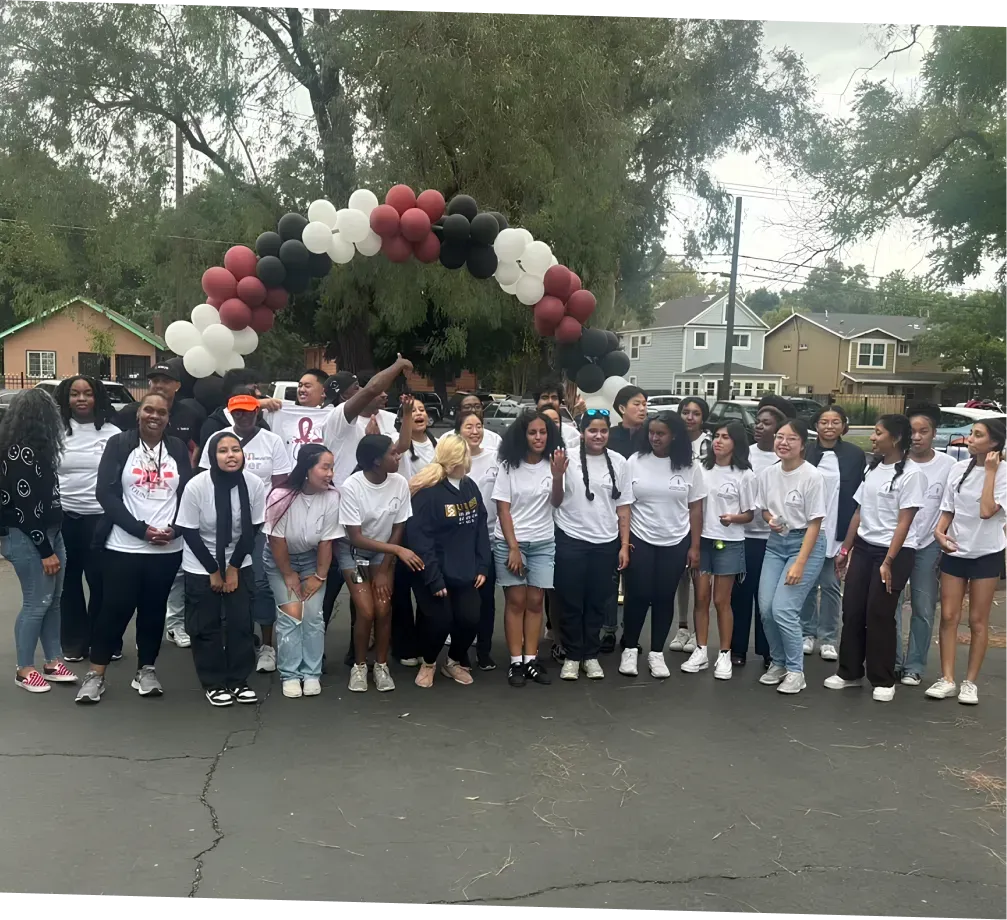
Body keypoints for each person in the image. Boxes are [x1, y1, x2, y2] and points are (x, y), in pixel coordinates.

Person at [76, 393, 192, 703]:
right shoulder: (119, 444)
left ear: (169, 418)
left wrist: (176, 529)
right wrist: (141, 530)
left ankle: (147, 670)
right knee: (114, 610)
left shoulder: (177, 448)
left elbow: (187, 493)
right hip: (124, 546)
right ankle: (96, 675)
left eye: (162, 412)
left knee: (153, 612)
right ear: (138, 413)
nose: (155, 416)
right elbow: (106, 494)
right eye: (149, 410)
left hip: (167, 548)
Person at [322, 355, 412, 664]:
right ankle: (310, 657)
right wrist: (399, 367)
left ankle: (360, 652)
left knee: (371, 602)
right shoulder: (339, 419)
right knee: (328, 590)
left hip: (374, 523)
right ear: (347, 395)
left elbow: (399, 448)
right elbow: (374, 387)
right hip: (338, 523)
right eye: (358, 388)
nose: (370, 391)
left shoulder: (383, 421)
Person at [829, 415, 923, 702]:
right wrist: (845, 550)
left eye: (878, 432)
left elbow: (904, 523)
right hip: (865, 548)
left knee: (879, 614)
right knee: (853, 609)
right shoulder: (873, 469)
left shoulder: (911, 474)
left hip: (894, 553)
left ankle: (883, 679)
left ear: (894, 438)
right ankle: (850, 672)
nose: (872, 437)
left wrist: (888, 561)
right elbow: (859, 512)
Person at [199, 390, 292, 674]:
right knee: (226, 580)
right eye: (237, 411)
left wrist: (270, 519)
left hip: (261, 525)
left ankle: (266, 645)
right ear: (230, 413)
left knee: (261, 584)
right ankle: (234, 638)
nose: (243, 416)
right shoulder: (219, 439)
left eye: (248, 411)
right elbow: (206, 479)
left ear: (257, 412)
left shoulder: (272, 440)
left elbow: (281, 484)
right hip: (224, 524)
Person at [176, 432, 266, 706]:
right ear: (212, 456)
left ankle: (239, 680)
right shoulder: (197, 485)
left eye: (235, 450)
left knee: (241, 622)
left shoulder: (253, 483)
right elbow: (189, 531)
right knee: (206, 626)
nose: (230, 455)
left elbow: (253, 529)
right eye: (223, 450)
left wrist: (234, 567)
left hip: (239, 560)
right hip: (202, 561)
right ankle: (214, 682)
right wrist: (214, 570)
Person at [926, 418, 1007, 705]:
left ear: (994, 443)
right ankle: (946, 678)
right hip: (956, 550)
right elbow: (948, 509)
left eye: (977, 435)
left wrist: (991, 472)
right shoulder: (959, 468)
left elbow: (987, 511)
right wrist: (939, 532)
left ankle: (969, 682)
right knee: (948, 616)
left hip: (986, 553)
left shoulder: (1004, 473)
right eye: (971, 434)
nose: (969, 439)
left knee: (977, 620)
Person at [0, 389, 76, 693]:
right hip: (29, 537)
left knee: (53, 601)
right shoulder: (18, 452)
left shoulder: (38, 449)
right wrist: (45, 550)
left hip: (51, 532)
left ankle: (52, 660)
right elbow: (24, 507)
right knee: (36, 602)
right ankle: (24, 668)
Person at [621, 411, 705, 679]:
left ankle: (656, 652)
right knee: (637, 594)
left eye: (661, 433)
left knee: (663, 597)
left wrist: (694, 546)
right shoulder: (634, 462)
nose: (655, 438)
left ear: (675, 436)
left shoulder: (690, 466)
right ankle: (630, 648)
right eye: (651, 432)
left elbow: (695, 509)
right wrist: (624, 542)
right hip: (640, 537)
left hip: (676, 540)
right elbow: (624, 505)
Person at [337, 434, 421, 692]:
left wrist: (386, 567)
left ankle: (381, 666)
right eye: (393, 454)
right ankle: (360, 666)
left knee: (384, 608)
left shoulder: (399, 483)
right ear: (375, 461)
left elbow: (399, 525)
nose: (399, 457)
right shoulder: (352, 487)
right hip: (354, 553)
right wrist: (396, 549)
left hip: (383, 555)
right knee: (366, 610)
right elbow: (356, 536)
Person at [552, 410, 632, 680]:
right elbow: (556, 499)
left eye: (603, 431)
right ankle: (573, 655)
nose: (598, 436)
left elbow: (623, 506)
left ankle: (591, 654)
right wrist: (556, 475)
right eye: (592, 431)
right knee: (571, 600)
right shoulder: (567, 458)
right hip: (571, 538)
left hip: (605, 541)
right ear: (582, 432)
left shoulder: (619, 462)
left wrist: (624, 544)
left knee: (598, 600)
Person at [407, 434, 491, 688]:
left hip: (466, 572)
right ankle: (429, 662)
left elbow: (480, 527)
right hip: (434, 574)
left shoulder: (469, 487)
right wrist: (434, 579)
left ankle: (453, 661)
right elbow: (421, 541)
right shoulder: (427, 494)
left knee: (470, 618)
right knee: (439, 621)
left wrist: (482, 565)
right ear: (458, 460)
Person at [263, 444, 341, 699]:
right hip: (280, 561)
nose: (330, 473)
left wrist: (319, 576)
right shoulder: (280, 496)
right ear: (307, 469)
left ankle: (311, 673)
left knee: (313, 615)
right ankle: (290, 674)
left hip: (312, 560)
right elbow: (276, 540)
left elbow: (327, 541)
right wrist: (288, 575)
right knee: (291, 613)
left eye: (331, 467)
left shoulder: (332, 497)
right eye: (324, 467)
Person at [493, 410, 565, 687]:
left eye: (543, 432)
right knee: (516, 602)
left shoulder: (554, 463)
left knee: (536, 602)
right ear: (522, 436)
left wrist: (558, 476)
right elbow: (503, 508)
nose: (538, 437)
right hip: (510, 542)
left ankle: (531, 659)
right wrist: (513, 547)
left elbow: (557, 502)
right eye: (533, 432)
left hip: (543, 542)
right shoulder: (509, 466)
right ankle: (515, 664)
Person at [756, 419, 827, 695]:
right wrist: (771, 519)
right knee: (766, 608)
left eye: (791, 439)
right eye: (780, 437)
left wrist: (800, 563)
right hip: (777, 543)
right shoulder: (768, 474)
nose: (783, 443)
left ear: (802, 444)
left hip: (805, 545)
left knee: (784, 609)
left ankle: (796, 671)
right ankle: (779, 662)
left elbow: (815, 523)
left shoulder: (812, 476)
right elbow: (764, 510)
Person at [54, 375, 121, 663]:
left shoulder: (112, 433)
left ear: (98, 398)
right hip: (64, 518)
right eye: (75, 394)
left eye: (88, 393)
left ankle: (103, 640)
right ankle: (73, 642)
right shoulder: (55, 432)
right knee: (68, 583)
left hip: (101, 520)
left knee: (102, 583)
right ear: (66, 399)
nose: (81, 399)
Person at [685, 421, 756, 680]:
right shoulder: (700, 469)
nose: (718, 441)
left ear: (736, 443)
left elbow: (749, 514)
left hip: (729, 542)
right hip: (702, 541)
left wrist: (733, 519)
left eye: (725, 437)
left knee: (721, 600)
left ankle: (724, 653)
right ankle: (701, 650)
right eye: (716, 436)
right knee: (701, 598)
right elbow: (693, 505)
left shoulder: (745, 475)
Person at [895, 404, 956, 686]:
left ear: (934, 433)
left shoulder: (948, 466)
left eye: (924, 431)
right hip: (896, 544)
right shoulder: (897, 462)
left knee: (922, 605)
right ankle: (893, 660)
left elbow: (953, 505)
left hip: (929, 545)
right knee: (891, 603)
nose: (917, 437)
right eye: (912, 431)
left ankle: (914, 665)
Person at [801, 406, 866, 661]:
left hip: (838, 525)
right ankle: (807, 632)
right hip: (808, 526)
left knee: (829, 584)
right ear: (815, 425)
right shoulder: (805, 451)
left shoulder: (854, 454)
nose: (829, 426)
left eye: (835, 422)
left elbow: (859, 495)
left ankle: (828, 637)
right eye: (824, 422)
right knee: (806, 584)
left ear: (843, 425)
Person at [730, 406, 783, 668]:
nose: (760, 427)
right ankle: (737, 648)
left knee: (767, 600)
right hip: (745, 536)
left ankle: (768, 650)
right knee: (741, 595)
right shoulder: (745, 455)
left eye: (767, 423)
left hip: (772, 540)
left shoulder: (784, 459)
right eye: (758, 422)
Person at [391, 396, 438, 666]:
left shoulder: (438, 445)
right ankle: (404, 645)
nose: (419, 414)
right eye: (412, 411)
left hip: (431, 523)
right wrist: (406, 415)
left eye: (422, 410)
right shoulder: (399, 444)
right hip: (403, 522)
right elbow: (403, 443)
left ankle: (425, 643)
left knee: (426, 584)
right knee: (401, 586)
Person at [455, 410, 500, 670]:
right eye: (468, 426)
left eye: (479, 426)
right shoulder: (452, 461)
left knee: (486, 599)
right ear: (458, 431)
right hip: (459, 542)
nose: (475, 431)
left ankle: (484, 650)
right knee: (462, 599)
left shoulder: (495, 459)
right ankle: (460, 652)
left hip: (489, 538)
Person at [669, 395, 712, 653]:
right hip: (676, 515)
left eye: (695, 413)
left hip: (702, 515)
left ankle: (698, 630)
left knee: (699, 575)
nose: (690, 417)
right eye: (686, 412)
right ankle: (682, 627)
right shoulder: (674, 441)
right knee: (681, 577)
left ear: (703, 417)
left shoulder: (709, 444)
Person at [113, 362, 202, 454]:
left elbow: (196, 448)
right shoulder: (130, 412)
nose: (159, 385)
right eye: (155, 381)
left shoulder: (189, 415)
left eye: (166, 381)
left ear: (178, 386)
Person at [259, 369, 335, 468]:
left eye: (307, 386)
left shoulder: (334, 415)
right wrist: (259, 403)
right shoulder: (280, 410)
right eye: (299, 386)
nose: (302, 389)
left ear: (324, 392)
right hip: (288, 478)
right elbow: (236, 408)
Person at [607, 385, 648, 460]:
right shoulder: (608, 436)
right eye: (636, 404)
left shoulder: (651, 435)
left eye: (644, 404)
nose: (642, 408)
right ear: (622, 409)